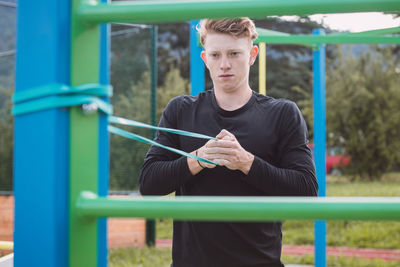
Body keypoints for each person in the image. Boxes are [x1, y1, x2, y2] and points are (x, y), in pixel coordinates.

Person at [139, 17, 318, 267]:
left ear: (252, 54)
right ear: (205, 59)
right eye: (215, 55)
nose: (224, 64)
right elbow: (148, 184)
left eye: (234, 53)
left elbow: (307, 191)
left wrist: (246, 162)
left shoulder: (283, 113)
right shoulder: (180, 110)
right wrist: (197, 159)